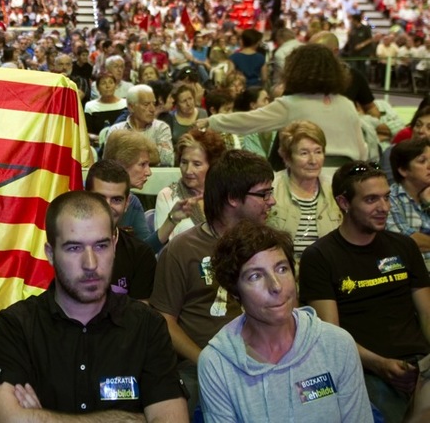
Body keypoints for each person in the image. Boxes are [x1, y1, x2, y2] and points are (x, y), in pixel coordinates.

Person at [0, 190, 187, 422]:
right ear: (51, 254)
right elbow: (10, 419)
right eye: (74, 248)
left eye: (101, 246)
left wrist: (40, 418)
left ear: (114, 245)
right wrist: (129, 419)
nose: (90, 264)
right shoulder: (15, 326)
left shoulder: (148, 326)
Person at [198, 221, 372, 422]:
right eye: (255, 276)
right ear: (235, 291)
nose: (276, 286)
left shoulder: (336, 344)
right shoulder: (217, 363)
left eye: (282, 269)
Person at [300, 161, 430, 423]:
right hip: (364, 368)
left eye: (386, 197)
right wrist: (380, 364)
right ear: (344, 203)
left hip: (419, 362)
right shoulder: (320, 256)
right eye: (371, 199)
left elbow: (428, 314)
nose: (384, 208)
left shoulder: (404, 246)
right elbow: (331, 335)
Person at [149, 149, 276, 418]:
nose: (272, 201)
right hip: (199, 362)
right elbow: (164, 320)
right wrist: (207, 361)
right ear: (233, 198)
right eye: (263, 194)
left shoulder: (269, 246)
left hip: (266, 357)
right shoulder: (183, 249)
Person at [199, 43, 368, 166]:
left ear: (295, 70)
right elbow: (363, 151)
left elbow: (248, 121)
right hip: (346, 182)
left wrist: (211, 121)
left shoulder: (291, 104)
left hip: (306, 181)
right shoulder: (346, 104)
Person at [267, 121, 342, 260]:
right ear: (287, 157)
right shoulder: (270, 189)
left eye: (318, 152)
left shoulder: (336, 189)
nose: (313, 160)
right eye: (304, 153)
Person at [85, 160, 156, 300]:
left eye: (116, 200)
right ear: (85, 197)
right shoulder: (65, 248)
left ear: (127, 203)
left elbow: (140, 311)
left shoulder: (140, 255)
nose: (107, 207)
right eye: (100, 198)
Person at [155, 129, 226, 243]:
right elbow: (162, 247)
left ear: (213, 165)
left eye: (196, 164)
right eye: (184, 162)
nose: (188, 171)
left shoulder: (227, 194)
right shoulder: (167, 195)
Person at [101, 129, 160, 249]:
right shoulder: (86, 196)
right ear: (120, 164)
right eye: (142, 164)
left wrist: (172, 220)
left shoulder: (133, 202)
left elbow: (145, 250)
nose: (148, 172)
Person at [104, 84, 174, 166]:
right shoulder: (116, 130)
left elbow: (168, 159)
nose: (152, 109)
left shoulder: (161, 128)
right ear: (131, 107)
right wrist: (154, 150)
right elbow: (108, 163)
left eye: (154, 104)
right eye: (146, 104)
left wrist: (127, 154)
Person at [387, 137, 430, 255]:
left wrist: (428, 203)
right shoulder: (390, 199)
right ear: (403, 170)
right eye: (422, 161)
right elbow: (405, 240)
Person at [83, 69, 126, 145]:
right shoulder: (90, 106)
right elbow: (86, 132)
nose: (107, 86)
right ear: (98, 88)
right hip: (98, 143)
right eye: (103, 83)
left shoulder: (125, 104)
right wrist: (98, 138)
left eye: (111, 83)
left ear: (115, 86)